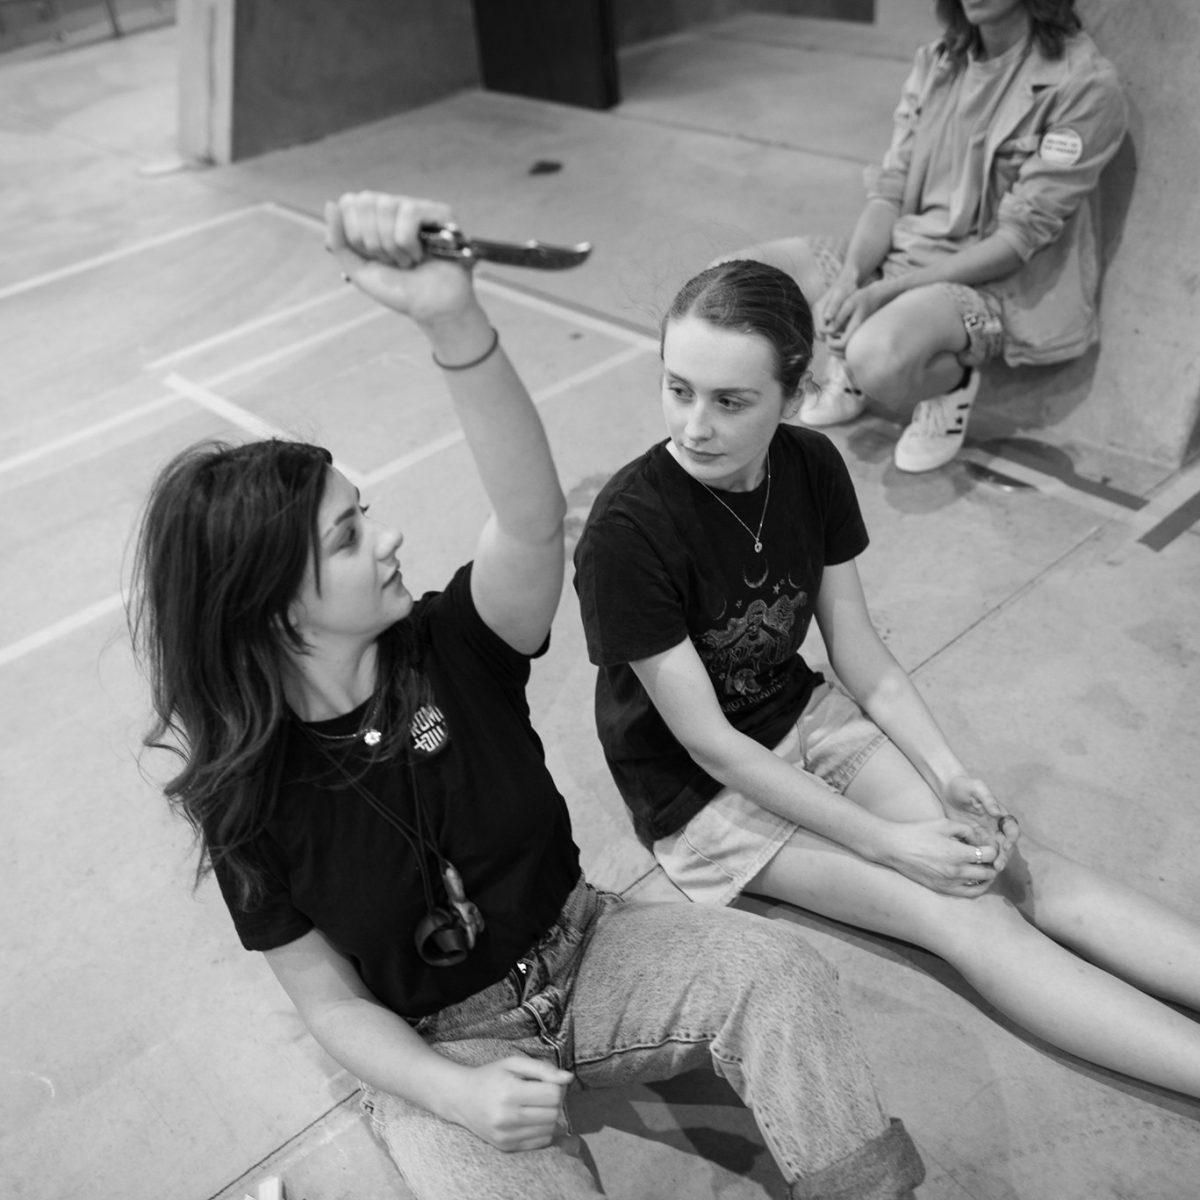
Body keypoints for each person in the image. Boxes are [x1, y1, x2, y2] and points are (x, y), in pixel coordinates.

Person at [128, 192, 925, 1200]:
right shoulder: (242, 797)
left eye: (366, 513)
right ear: (270, 610)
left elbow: (533, 518)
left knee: (780, 973)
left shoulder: (454, 645)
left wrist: (451, 319)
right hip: (439, 1047)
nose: (390, 540)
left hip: (589, 945)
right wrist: (451, 1097)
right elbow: (332, 1009)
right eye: (347, 536)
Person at [573, 256, 1200, 1098]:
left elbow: (860, 651)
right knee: (955, 908)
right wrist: (893, 843)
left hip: (799, 715)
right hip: (701, 794)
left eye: (731, 401)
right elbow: (711, 745)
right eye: (677, 388)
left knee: (1008, 860)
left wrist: (950, 775)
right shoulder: (626, 534)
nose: (694, 425)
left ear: (793, 398)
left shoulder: (809, 466)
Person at [718, 0, 1127, 472]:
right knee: (731, 283)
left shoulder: (1084, 84)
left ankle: (947, 387)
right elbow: (889, 191)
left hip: (986, 286)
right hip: (900, 252)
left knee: (876, 358)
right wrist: (852, 278)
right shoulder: (938, 60)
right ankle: (855, 353)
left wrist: (885, 292)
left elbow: (1018, 240)